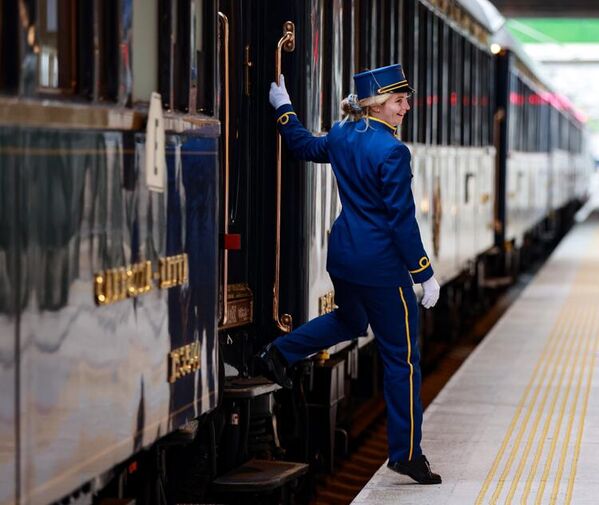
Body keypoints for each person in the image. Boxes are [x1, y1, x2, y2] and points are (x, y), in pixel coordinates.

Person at [258, 64, 442, 485]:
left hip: (344, 258)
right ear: (377, 105)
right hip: (381, 268)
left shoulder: (342, 134)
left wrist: (284, 109)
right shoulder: (393, 151)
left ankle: (279, 353)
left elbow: (304, 147)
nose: (406, 107)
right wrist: (423, 273)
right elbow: (401, 221)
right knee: (403, 359)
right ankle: (407, 453)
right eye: (399, 101)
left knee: (349, 321)